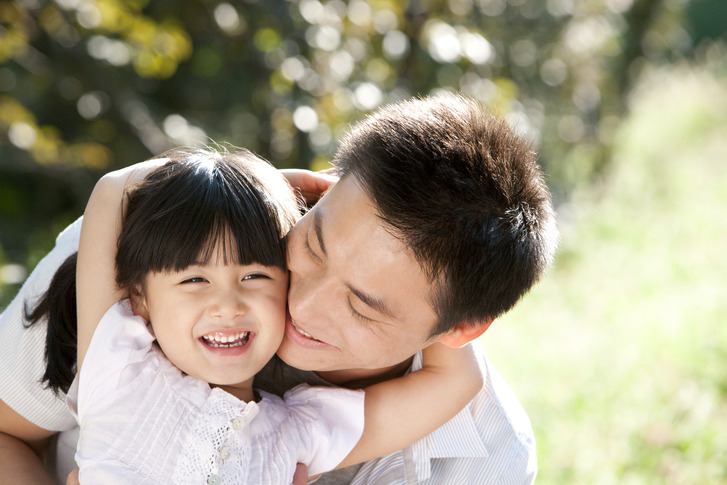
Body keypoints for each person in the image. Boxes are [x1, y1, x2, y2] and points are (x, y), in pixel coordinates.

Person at [0, 94, 558, 484]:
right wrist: (249, 187)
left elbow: (458, 379)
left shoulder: (488, 461)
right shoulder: (148, 264)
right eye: (313, 246)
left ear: (462, 329)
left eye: (363, 304)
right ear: (322, 193)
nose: (304, 305)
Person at [68, 146, 479, 483]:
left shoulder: (294, 434)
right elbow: (115, 190)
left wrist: (453, 293)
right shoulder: (118, 373)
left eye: (254, 275)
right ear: (138, 300)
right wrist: (243, 187)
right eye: (194, 280)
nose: (228, 305)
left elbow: (457, 380)